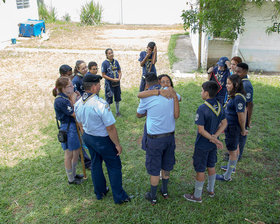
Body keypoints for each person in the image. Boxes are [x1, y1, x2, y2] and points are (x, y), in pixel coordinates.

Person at [74, 73, 130, 204]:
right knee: (114, 166)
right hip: (102, 140)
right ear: (93, 87)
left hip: (88, 137)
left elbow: (80, 123)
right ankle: (119, 197)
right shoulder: (100, 104)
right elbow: (110, 128)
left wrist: (86, 134)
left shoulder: (78, 103)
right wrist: (117, 144)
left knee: (95, 163)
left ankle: (100, 192)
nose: (100, 86)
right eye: (98, 84)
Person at [136, 72, 179, 205]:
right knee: (166, 165)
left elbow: (139, 114)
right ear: (159, 83)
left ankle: (153, 196)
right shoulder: (172, 94)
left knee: (154, 169)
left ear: (148, 84)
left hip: (155, 139)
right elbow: (178, 101)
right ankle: (164, 191)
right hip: (170, 137)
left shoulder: (147, 97)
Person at [183, 81, 227, 203]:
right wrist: (216, 137)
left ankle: (197, 196)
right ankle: (211, 190)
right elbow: (224, 123)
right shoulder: (219, 105)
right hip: (212, 145)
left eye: (202, 90)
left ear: (206, 93)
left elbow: (201, 130)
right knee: (211, 165)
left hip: (202, 145)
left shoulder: (202, 108)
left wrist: (212, 138)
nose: (201, 92)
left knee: (200, 169)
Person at [216, 75, 248, 181]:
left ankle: (227, 176)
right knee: (235, 149)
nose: (226, 85)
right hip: (231, 127)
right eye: (227, 83)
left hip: (233, 128)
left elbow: (241, 116)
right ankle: (231, 167)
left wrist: (243, 130)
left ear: (236, 85)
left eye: (229, 83)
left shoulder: (238, 98)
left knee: (232, 151)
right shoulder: (235, 96)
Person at [53, 77, 84, 185]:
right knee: (69, 153)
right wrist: (74, 99)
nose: (72, 87)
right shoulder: (60, 100)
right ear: (63, 89)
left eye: (71, 85)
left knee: (76, 151)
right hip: (67, 128)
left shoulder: (67, 97)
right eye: (69, 86)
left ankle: (74, 174)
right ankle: (71, 178)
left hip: (72, 126)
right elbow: (75, 113)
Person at [72, 60, 92, 170]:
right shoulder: (76, 80)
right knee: (82, 133)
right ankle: (84, 158)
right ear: (78, 69)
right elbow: (77, 96)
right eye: (83, 68)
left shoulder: (86, 76)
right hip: (81, 108)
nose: (85, 69)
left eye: (86, 67)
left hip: (88, 107)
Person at [101, 48, 122, 117]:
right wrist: (112, 79)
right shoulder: (104, 63)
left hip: (117, 83)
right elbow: (103, 74)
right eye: (109, 53)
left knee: (117, 97)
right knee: (109, 98)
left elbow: (119, 71)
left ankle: (117, 112)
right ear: (106, 55)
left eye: (112, 53)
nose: (111, 54)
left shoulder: (116, 62)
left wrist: (119, 78)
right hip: (109, 84)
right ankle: (108, 113)